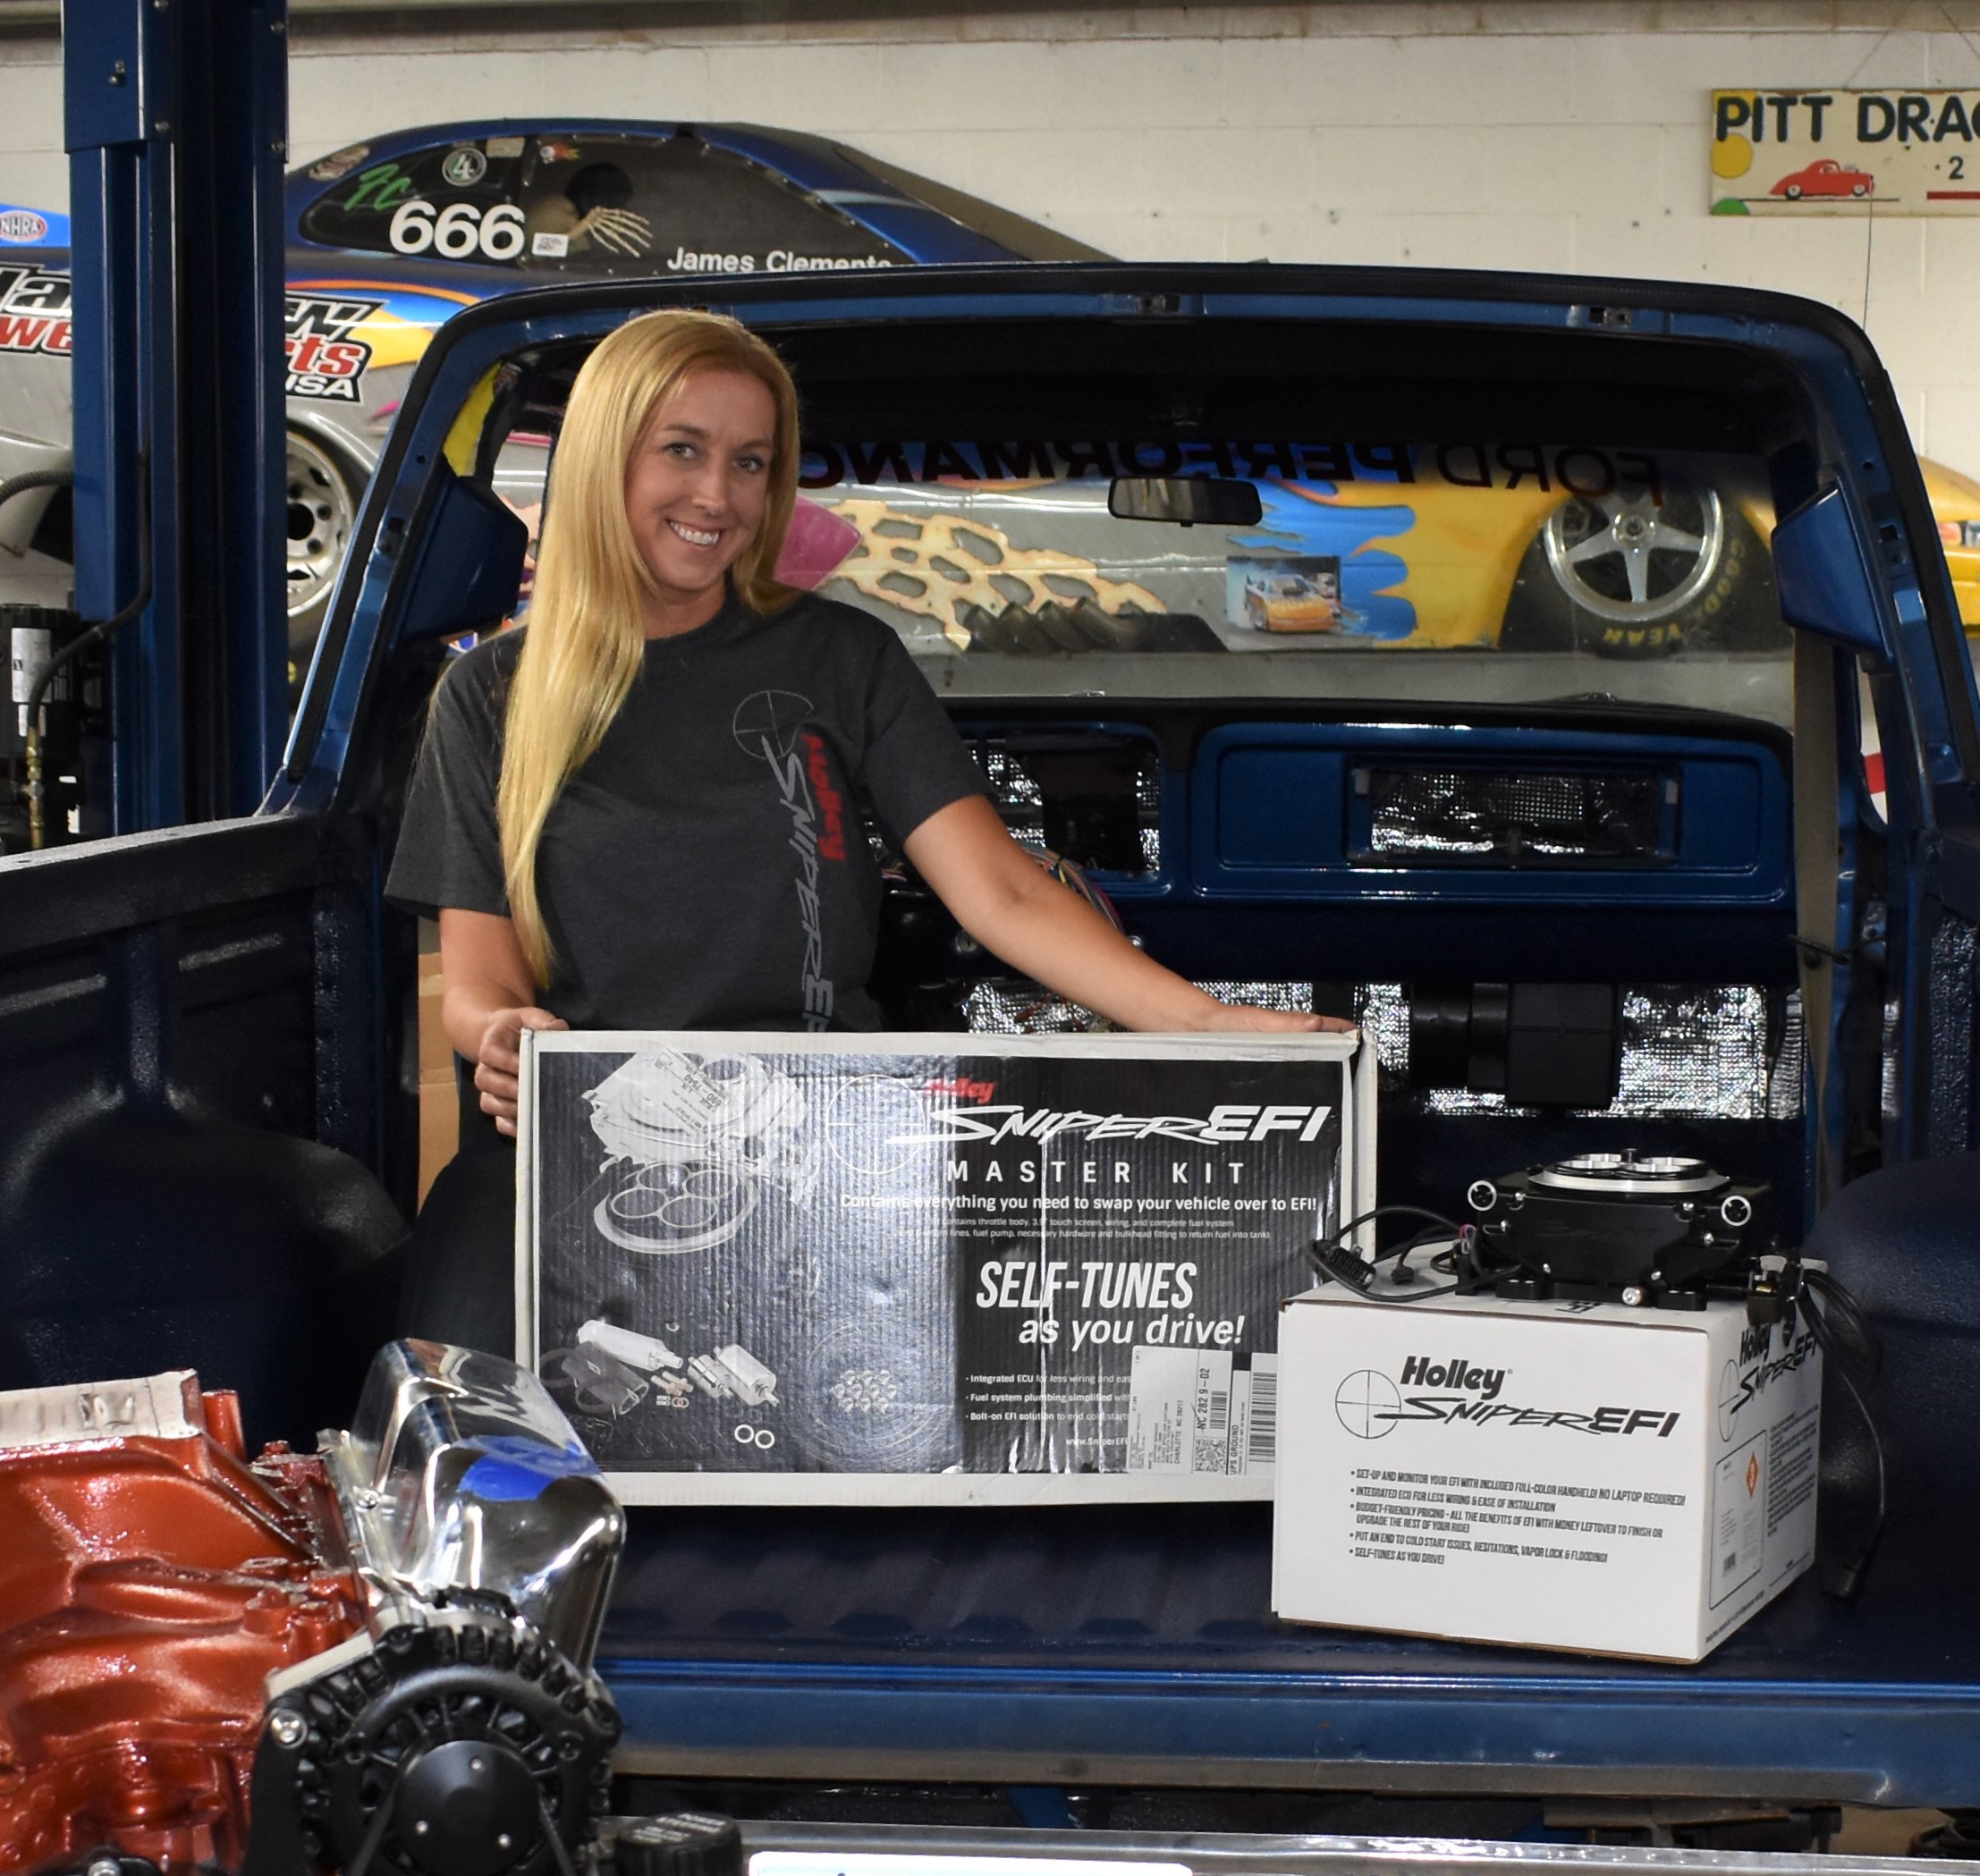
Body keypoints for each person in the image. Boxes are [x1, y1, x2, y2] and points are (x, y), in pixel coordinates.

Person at [388, 305, 1337, 1350]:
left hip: (822, 1141)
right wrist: (502, 1037)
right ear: (602, 459)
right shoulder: (490, 695)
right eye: (681, 450)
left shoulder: (843, 659)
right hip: (584, 1143)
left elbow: (1000, 891)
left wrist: (1205, 1024)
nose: (717, 496)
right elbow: (479, 983)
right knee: (453, 1382)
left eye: (751, 462)